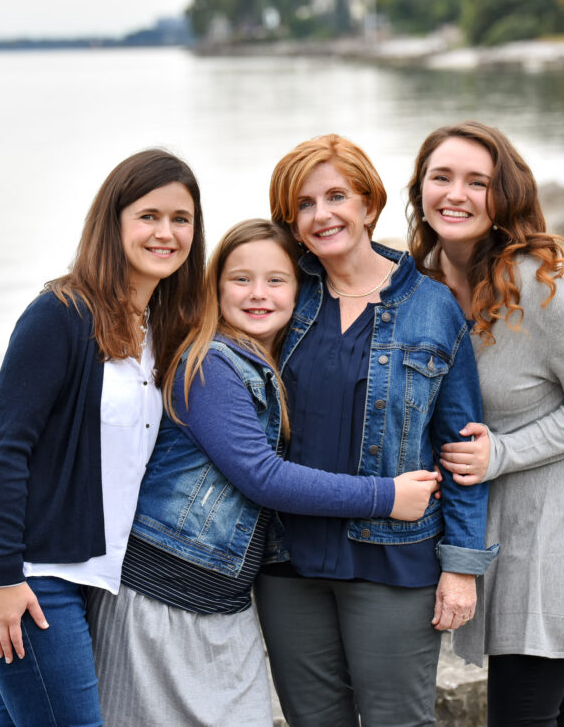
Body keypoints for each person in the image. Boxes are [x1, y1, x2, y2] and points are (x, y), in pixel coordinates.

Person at [88, 218, 442, 726]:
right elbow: (263, 476)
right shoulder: (210, 364)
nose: (258, 294)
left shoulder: (268, 363)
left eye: (276, 280)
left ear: (301, 292)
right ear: (215, 287)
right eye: (241, 279)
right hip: (163, 592)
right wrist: (384, 497)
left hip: (221, 597)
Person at [0, 149, 206, 727]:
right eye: (148, 216)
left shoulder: (160, 327)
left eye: (181, 218)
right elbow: (4, 452)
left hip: (86, 571)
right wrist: (5, 577)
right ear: (113, 223)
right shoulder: (60, 314)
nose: (166, 232)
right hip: (30, 573)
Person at [256, 134, 498, 727]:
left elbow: (462, 444)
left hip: (395, 559)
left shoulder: (432, 306)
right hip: (288, 562)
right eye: (304, 205)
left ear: (368, 203)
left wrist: (462, 566)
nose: (322, 215)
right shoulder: (284, 296)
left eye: (336, 195)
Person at [406, 121, 564, 727]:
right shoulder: (416, 285)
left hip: (556, 529)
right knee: (550, 712)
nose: (456, 194)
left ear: (504, 196)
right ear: (419, 189)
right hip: (490, 529)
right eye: (441, 177)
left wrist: (500, 453)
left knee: (521, 713)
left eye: (477, 182)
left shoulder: (539, 284)